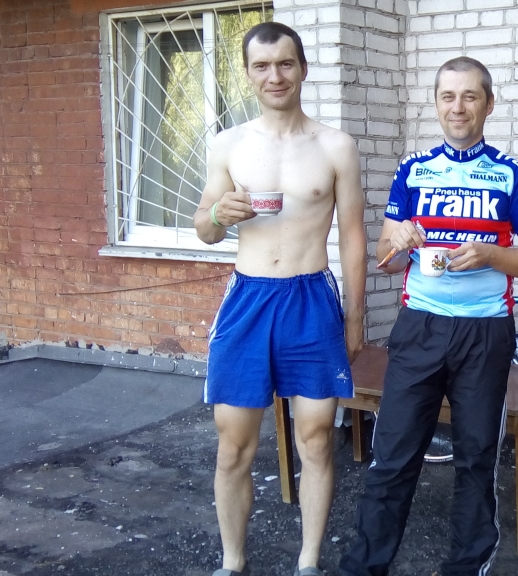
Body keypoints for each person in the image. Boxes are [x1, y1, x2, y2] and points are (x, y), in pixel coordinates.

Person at [339, 57, 518, 576]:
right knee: (393, 455)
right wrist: (399, 239)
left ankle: (466, 567)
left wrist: (493, 254)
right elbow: (386, 258)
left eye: (470, 96)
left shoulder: (512, 174)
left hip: (485, 332)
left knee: (476, 459)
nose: (458, 107)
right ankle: (363, 568)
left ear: (489, 104)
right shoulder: (413, 170)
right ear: (436, 104)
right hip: (421, 327)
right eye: (448, 96)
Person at [193, 21, 366, 576]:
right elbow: (205, 228)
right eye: (262, 66)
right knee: (233, 445)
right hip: (247, 300)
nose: (275, 76)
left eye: (285, 63)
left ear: (303, 69)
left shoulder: (336, 146)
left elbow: (354, 236)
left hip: (311, 298)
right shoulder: (229, 144)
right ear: (248, 74)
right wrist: (218, 213)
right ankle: (232, 562)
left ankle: (308, 562)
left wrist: (356, 317)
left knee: (315, 439)